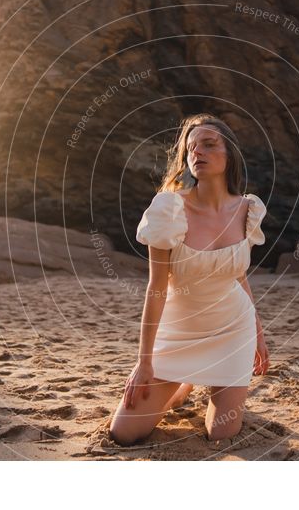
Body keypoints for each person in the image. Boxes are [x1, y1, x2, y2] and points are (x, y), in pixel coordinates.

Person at [108, 113, 270, 446]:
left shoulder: (248, 210)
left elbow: (238, 275)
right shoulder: (168, 208)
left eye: (209, 144)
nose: (198, 152)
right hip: (181, 330)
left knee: (220, 435)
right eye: (191, 148)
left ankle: (207, 382)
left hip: (232, 331)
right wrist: (145, 363)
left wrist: (258, 333)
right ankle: (183, 384)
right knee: (124, 433)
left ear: (230, 155)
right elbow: (155, 289)